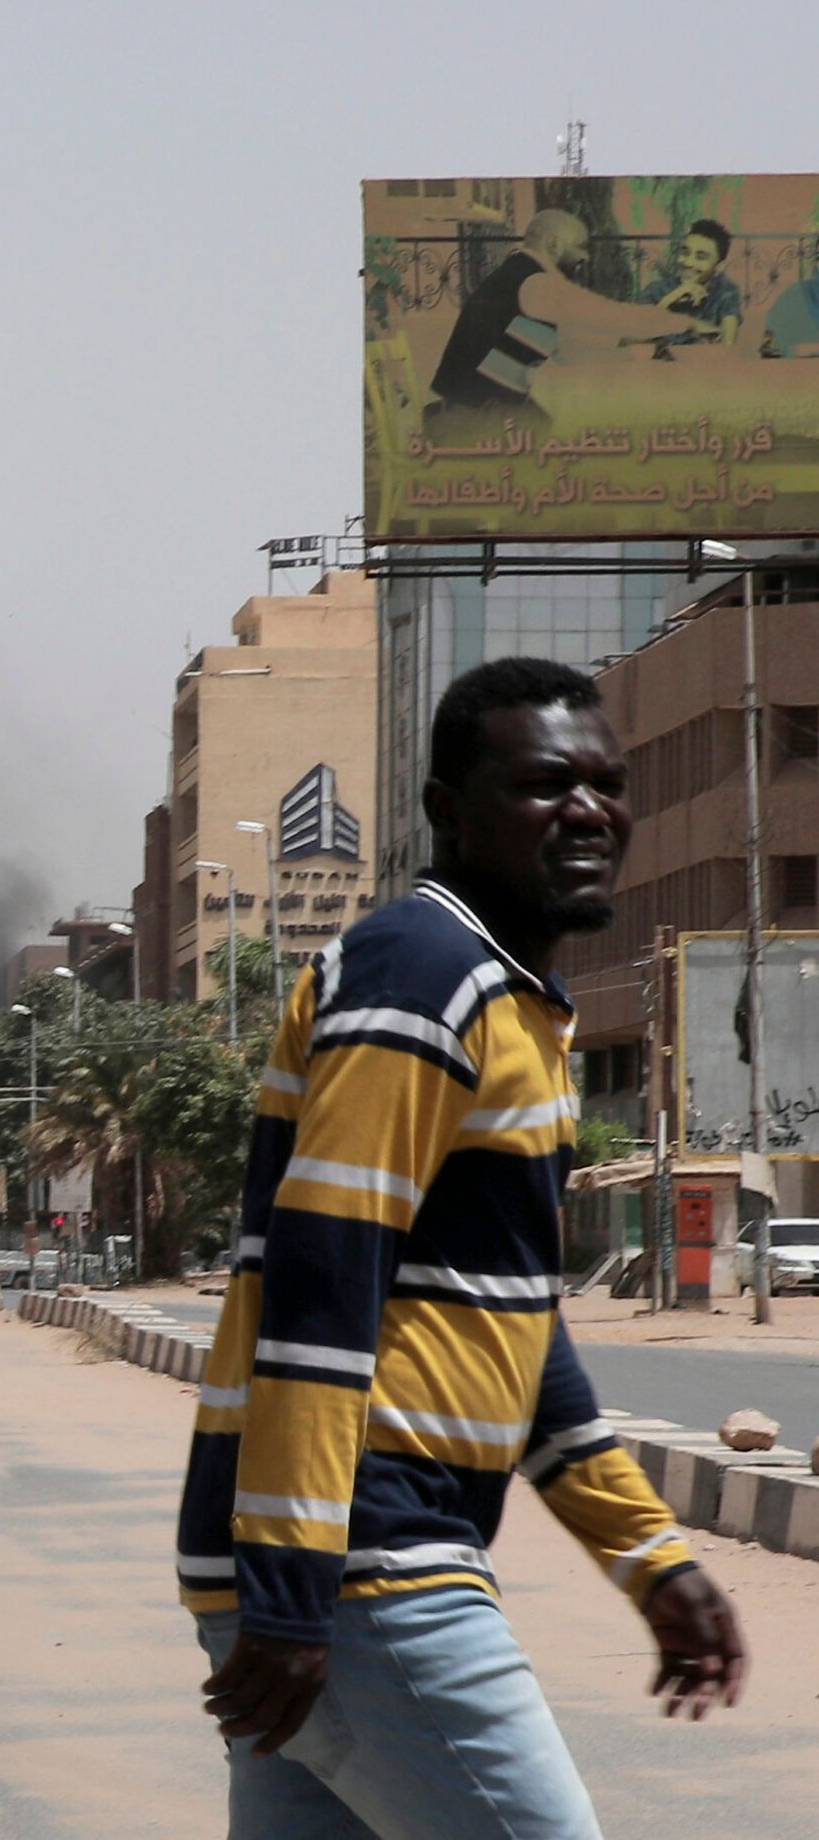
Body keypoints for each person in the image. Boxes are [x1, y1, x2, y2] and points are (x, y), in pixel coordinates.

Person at [181, 657, 745, 1838]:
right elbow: (322, 1278)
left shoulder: (510, 1002)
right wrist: (295, 1586)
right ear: (447, 808)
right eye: (545, 785)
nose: (587, 812)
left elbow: (518, 1337)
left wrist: (648, 1556)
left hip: (338, 1565)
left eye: (605, 783)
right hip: (362, 1560)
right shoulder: (422, 973)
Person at [428, 208, 707, 423]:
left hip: (470, 408)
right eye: (581, 246)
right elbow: (613, 315)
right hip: (471, 420)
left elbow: (568, 346)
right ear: (553, 245)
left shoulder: (517, 274)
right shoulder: (537, 283)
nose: (585, 256)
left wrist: (630, 348)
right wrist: (686, 322)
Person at [637, 219, 742, 353]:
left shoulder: (725, 291)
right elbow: (632, 340)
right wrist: (670, 299)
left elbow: (728, 347)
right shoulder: (656, 289)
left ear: (719, 267)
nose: (688, 262)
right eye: (685, 253)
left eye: (700, 257)